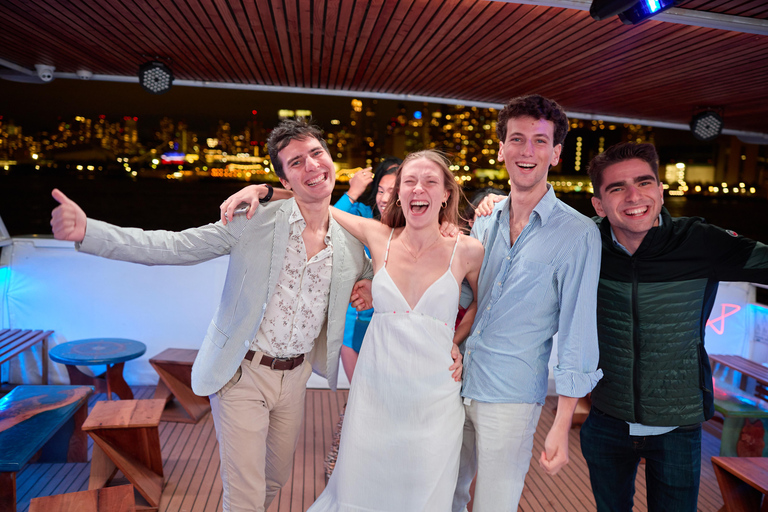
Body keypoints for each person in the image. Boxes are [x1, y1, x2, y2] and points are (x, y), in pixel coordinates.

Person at [49, 118, 375, 512]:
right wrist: (90, 231)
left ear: (331, 160)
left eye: (316, 154)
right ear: (285, 180)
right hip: (241, 372)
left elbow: (374, 274)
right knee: (245, 494)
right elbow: (172, 247)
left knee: (274, 479)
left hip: (296, 377)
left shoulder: (353, 244)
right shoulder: (253, 221)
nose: (311, 166)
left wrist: (369, 285)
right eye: (295, 162)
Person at [220, 149, 485, 511]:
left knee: (424, 491)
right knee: (363, 488)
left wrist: (455, 342)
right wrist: (262, 191)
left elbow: (483, 307)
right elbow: (315, 205)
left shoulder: (468, 250)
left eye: (430, 182)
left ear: (446, 194)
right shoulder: (379, 238)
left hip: (436, 397)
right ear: (398, 194)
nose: (418, 189)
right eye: (409, 181)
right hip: (376, 389)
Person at [580, 142, 768, 512]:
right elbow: (523, 246)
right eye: (617, 187)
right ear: (599, 204)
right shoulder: (584, 241)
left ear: (661, 191)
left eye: (644, 182)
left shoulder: (700, 240)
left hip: (678, 425)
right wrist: (493, 203)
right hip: (606, 416)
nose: (634, 196)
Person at [452, 94, 603, 512]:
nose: (527, 151)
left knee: (494, 504)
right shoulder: (484, 219)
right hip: (453, 381)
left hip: (511, 395)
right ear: (501, 149)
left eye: (540, 141)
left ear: (556, 153)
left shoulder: (577, 234)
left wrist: (560, 424)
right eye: (517, 139)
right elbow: (462, 298)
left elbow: (577, 329)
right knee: (442, 494)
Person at [334, 157, 401, 382]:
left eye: (392, 191)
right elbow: (328, 225)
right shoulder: (362, 215)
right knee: (359, 394)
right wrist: (353, 191)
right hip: (358, 315)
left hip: (395, 321)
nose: (384, 198)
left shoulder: (414, 228)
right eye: (381, 190)